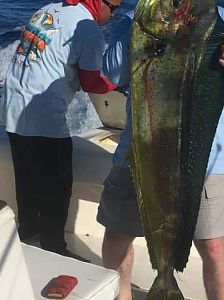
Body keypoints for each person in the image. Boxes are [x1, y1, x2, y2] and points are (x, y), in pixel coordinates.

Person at [98, 4, 224, 300]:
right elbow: (111, 71)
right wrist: (137, 26)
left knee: (213, 247)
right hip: (139, 154)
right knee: (117, 236)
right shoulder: (134, 18)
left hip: (203, 161)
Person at [0, 0, 120, 261]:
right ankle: (54, 248)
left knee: (27, 180)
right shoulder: (88, 29)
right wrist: (116, 85)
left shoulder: (49, 8)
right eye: (114, 8)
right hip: (42, 116)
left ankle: (28, 233)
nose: (113, 15)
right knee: (57, 187)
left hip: (12, 109)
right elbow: (90, 83)